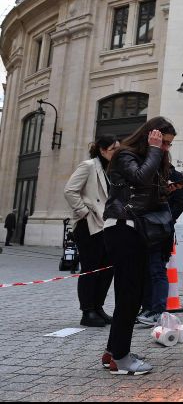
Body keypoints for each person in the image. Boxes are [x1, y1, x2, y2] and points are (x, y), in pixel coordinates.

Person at [102, 116, 177, 375]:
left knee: (130, 295)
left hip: (136, 230)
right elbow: (140, 178)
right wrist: (155, 151)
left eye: (168, 144)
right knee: (129, 296)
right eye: (163, 142)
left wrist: (166, 189)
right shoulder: (125, 155)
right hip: (124, 229)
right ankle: (121, 359)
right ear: (151, 136)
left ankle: (114, 351)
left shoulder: (146, 157)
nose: (166, 148)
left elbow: (145, 190)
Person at [63, 134, 119, 327]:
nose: (117, 153)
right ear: (102, 150)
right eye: (113, 149)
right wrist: (84, 212)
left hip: (108, 224)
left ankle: (98, 307)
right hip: (89, 224)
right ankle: (87, 312)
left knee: (107, 268)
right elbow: (70, 190)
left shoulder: (112, 169)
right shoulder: (88, 166)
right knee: (91, 268)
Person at [137, 164, 183, 326]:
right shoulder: (145, 173)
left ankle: (157, 310)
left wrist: (165, 219)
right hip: (143, 229)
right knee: (144, 270)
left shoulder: (175, 175)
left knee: (157, 270)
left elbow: (181, 203)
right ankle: (147, 308)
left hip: (162, 231)